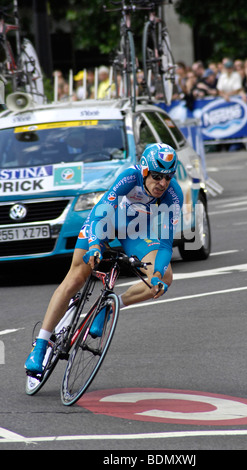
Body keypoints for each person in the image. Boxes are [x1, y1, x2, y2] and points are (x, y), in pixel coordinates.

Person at [25, 143, 183, 374]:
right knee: (76, 277)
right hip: (104, 223)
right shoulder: (130, 176)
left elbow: (167, 242)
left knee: (164, 278)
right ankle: (40, 346)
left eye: (168, 177)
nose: (162, 183)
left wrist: (157, 274)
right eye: (157, 176)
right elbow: (101, 210)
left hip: (135, 231)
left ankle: (109, 307)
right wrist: (95, 245)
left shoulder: (173, 193)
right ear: (145, 170)